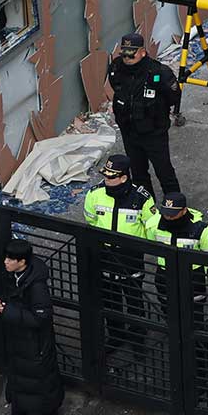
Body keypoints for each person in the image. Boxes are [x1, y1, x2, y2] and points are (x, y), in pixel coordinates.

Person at [83, 154, 156, 366]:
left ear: (124, 178)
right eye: (105, 176)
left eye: (111, 177)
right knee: (111, 299)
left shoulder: (141, 198)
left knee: (134, 299)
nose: (106, 180)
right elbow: (91, 220)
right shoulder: (95, 194)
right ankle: (115, 335)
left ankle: (137, 338)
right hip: (104, 255)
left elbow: (151, 228)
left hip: (130, 257)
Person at [0, 239, 63, 415]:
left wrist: (8, 311)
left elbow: (41, 317)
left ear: (21, 261)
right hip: (19, 340)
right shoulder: (15, 276)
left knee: (42, 382)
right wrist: (3, 306)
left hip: (36, 344)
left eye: (10, 259)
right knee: (16, 378)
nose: (5, 262)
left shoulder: (37, 286)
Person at [146, 193, 208, 385]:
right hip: (164, 276)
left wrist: (200, 274)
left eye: (173, 214)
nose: (168, 217)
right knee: (171, 315)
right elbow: (150, 243)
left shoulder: (201, 230)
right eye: (166, 213)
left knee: (196, 322)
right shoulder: (154, 223)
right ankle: (180, 348)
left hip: (192, 280)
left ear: (184, 211)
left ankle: (202, 366)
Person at [107, 32, 184, 200]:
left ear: (142, 52)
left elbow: (174, 96)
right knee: (138, 173)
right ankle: (147, 208)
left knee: (164, 172)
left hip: (154, 132)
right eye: (124, 53)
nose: (127, 58)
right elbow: (116, 88)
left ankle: (175, 209)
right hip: (129, 131)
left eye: (131, 53)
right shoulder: (116, 68)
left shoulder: (158, 72)